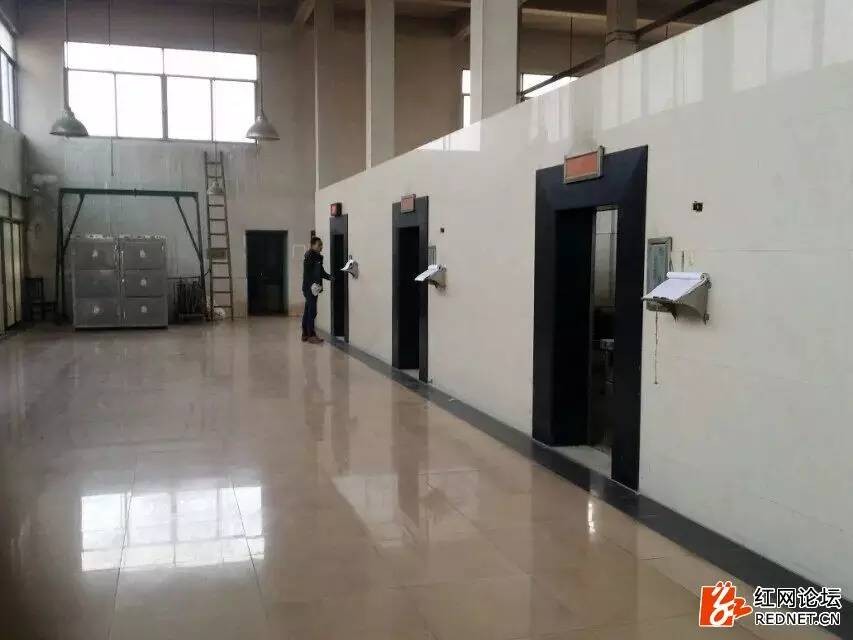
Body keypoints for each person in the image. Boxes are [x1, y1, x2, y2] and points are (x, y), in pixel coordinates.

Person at [302, 237, 332, 343]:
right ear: (313, 245)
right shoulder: (310, 256)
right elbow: (309, 274)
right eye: (319, 245)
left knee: (308, 311)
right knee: (312, 311)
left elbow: (320, 272)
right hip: (310, 288)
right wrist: (312, 286)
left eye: (321, 245)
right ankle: (311, 335)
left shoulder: (317, 257)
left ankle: (305, 334)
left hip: (313, 288)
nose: (321, 247)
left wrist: (330, 277)